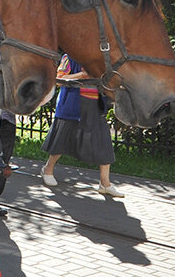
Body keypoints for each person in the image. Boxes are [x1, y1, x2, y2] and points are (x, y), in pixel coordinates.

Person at [41, 53, 122, 197]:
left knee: (104, 141)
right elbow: (58, 79)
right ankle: (48, 169)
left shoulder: (97, 59)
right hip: (72, 106)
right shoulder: (68, 58)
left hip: (94, 105)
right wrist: (79, 75)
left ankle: (105, 183)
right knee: (62, 139)